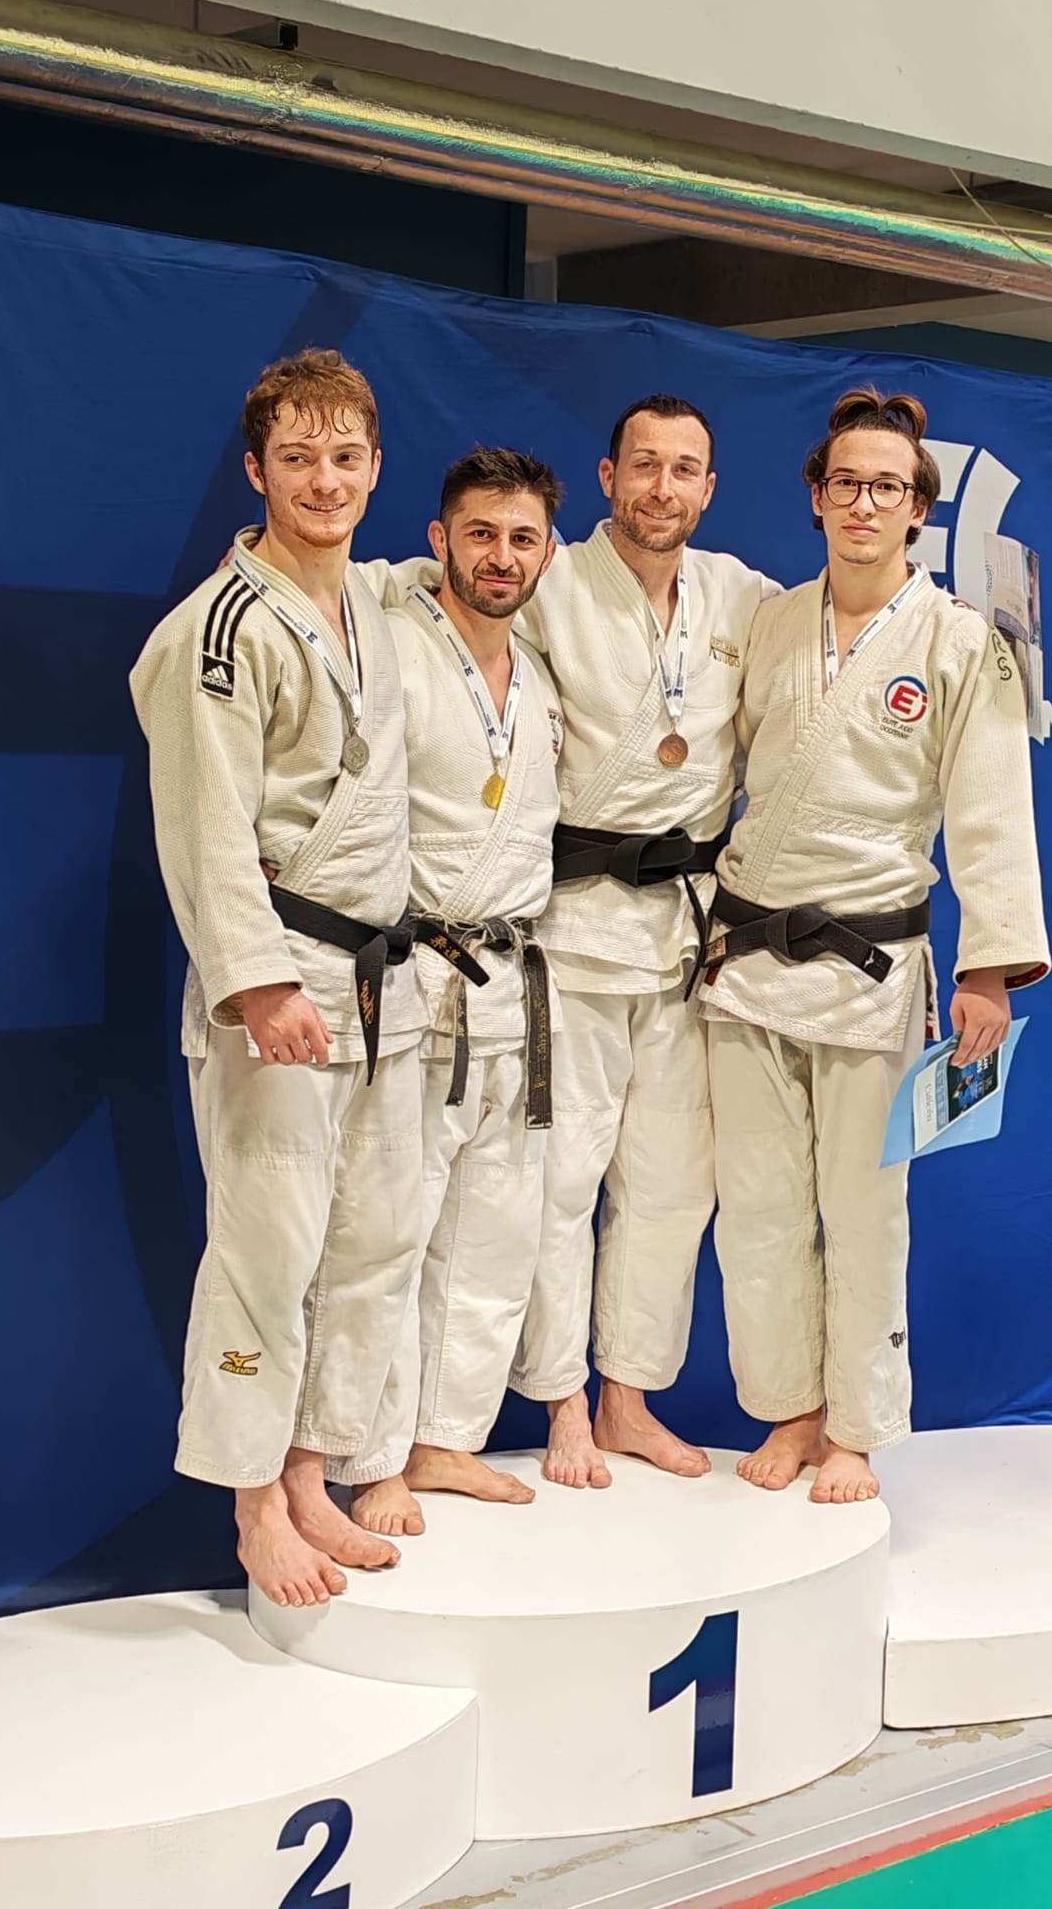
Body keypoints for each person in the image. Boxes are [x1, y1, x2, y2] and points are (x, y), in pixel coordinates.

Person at [366, 396, 775, 1487]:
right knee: (557, 1181)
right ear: (608, 478)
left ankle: (628, 1397)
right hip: (575, 930)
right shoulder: (550, 577)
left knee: (673, 1185)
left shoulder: (741, 596)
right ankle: (561, 1405)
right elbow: (427, 591)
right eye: (644, 465)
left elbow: (821, 645)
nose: (662, 488)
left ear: (709, 488)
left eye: (684, 469)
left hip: (689, 936)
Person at [699, 387, 1050, 1505]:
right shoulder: (771, 623)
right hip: (748, 953)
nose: (864, 502)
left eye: (887, 486)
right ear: (816, 495)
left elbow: (991, 804)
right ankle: (790, 1407)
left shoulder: (960, 640)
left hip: (873, 963)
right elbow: (711, 774)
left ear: (917, 509)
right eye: (846, 482)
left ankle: (857, 1424)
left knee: (862, 1210)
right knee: (757, 1207)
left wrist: (988, 967)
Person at [130, 349, 425, 1606]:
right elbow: (206, 828)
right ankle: (254, 1507)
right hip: (284, 976)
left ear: (376, 466)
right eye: (298, 458)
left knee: (366, 1242)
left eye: (346, 457)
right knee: (266, 1245)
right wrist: (256, 984)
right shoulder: (220, 630)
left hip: (376, 976)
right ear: (256, 469)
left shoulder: (375, 605)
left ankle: (310, 1473)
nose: (325, 480)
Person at [336, 447, 566, 1537]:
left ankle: (444, 1437)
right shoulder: (389, 639)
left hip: (515, 980)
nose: (500, 556)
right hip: (419, 977)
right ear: (438, 540)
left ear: (549, 552)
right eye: (480, 533)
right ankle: (372, 1456)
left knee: (493, 1231)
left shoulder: (545, 675)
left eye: (523, 537)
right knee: (389, 1230)